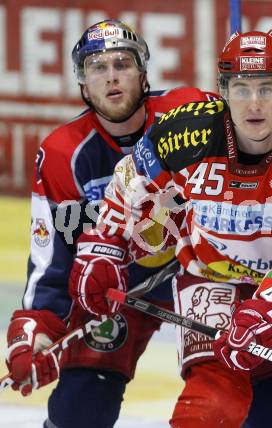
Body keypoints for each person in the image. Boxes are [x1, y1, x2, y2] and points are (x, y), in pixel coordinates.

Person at [68, 29, 272, 428]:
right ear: (223, 91)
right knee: (209, 407)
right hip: (211, 279)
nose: (254, 103)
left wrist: (266, 309)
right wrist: (104, 246)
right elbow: (130, 185)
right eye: (241, 89)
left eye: (267, 88)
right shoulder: (182, 132)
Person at [4, 19, 217, 428]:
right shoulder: (63, 153)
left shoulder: (190, 111)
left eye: (123, 63)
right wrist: (34, 329)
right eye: (97, 68)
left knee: (261, 397)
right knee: (78, 409)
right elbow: (53, 263)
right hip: (121, 291)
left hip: (203, 278)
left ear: (144, 72)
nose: (112, 76)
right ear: (83, 85)